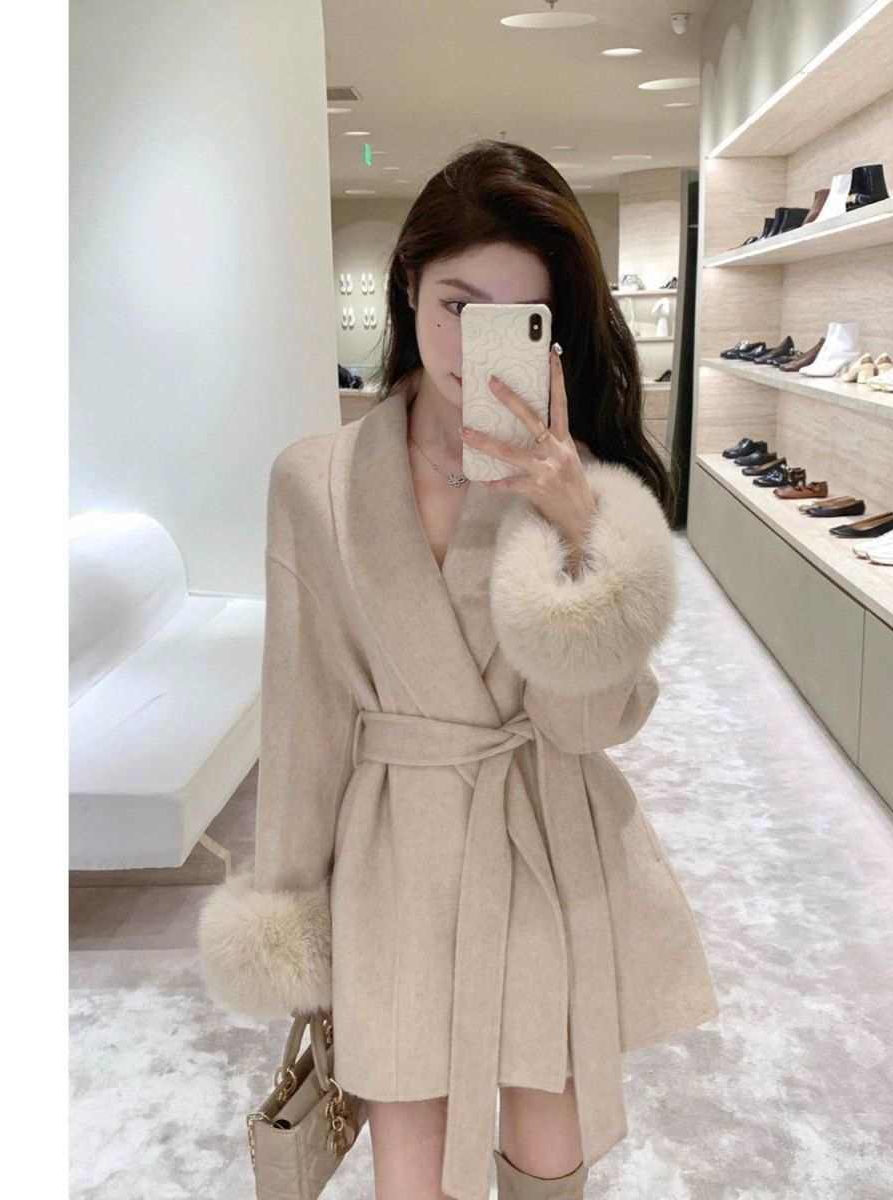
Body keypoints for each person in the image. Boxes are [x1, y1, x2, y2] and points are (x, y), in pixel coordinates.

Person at [198, 139, 719, 1200]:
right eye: (456, 305)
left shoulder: (582, 480)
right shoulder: (314, 481)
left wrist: (578, 523)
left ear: (551, 332)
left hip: (540, 843)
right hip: (392, 856)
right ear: (407, 284)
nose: (472, 343)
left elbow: (587, 725)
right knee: (412, 1171)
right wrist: (291, 909)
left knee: (547, 1154)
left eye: (517, 316)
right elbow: (304, 715)